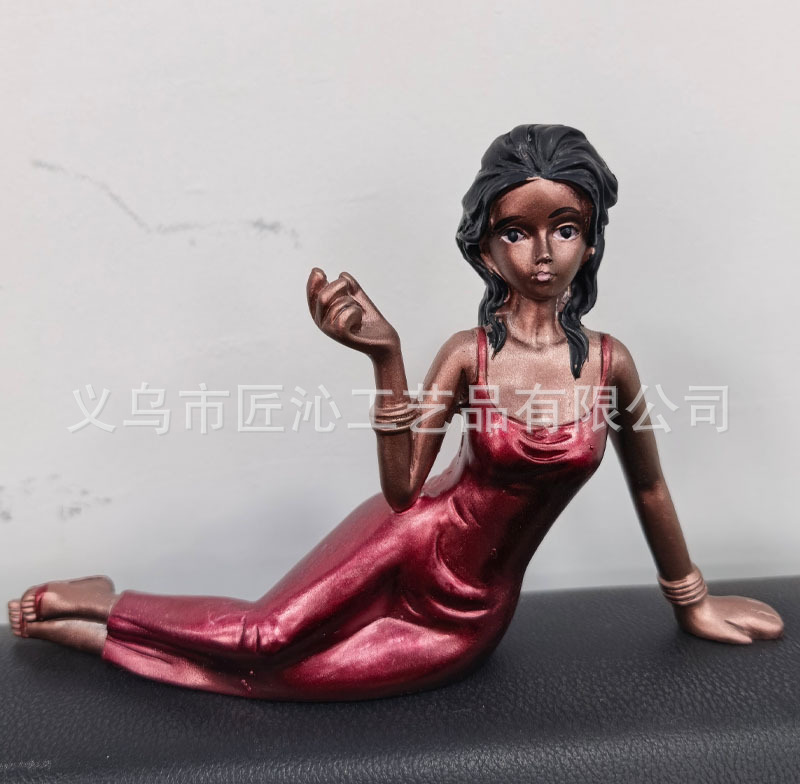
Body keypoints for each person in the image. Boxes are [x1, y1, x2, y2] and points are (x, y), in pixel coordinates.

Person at [7, 124, 783, 701]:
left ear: (591, 243)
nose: (542, 252)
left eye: (566, 228)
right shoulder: (468, 356)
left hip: (471, 615)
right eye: (517, 231)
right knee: (265, 636)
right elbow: (405, 489)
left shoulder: (610, 364)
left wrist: (693, 603)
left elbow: (648, 485)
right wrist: (386, 356)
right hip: (407, 537)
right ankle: (106, 602)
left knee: (285, 680)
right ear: (485, 249)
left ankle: (94, 641)